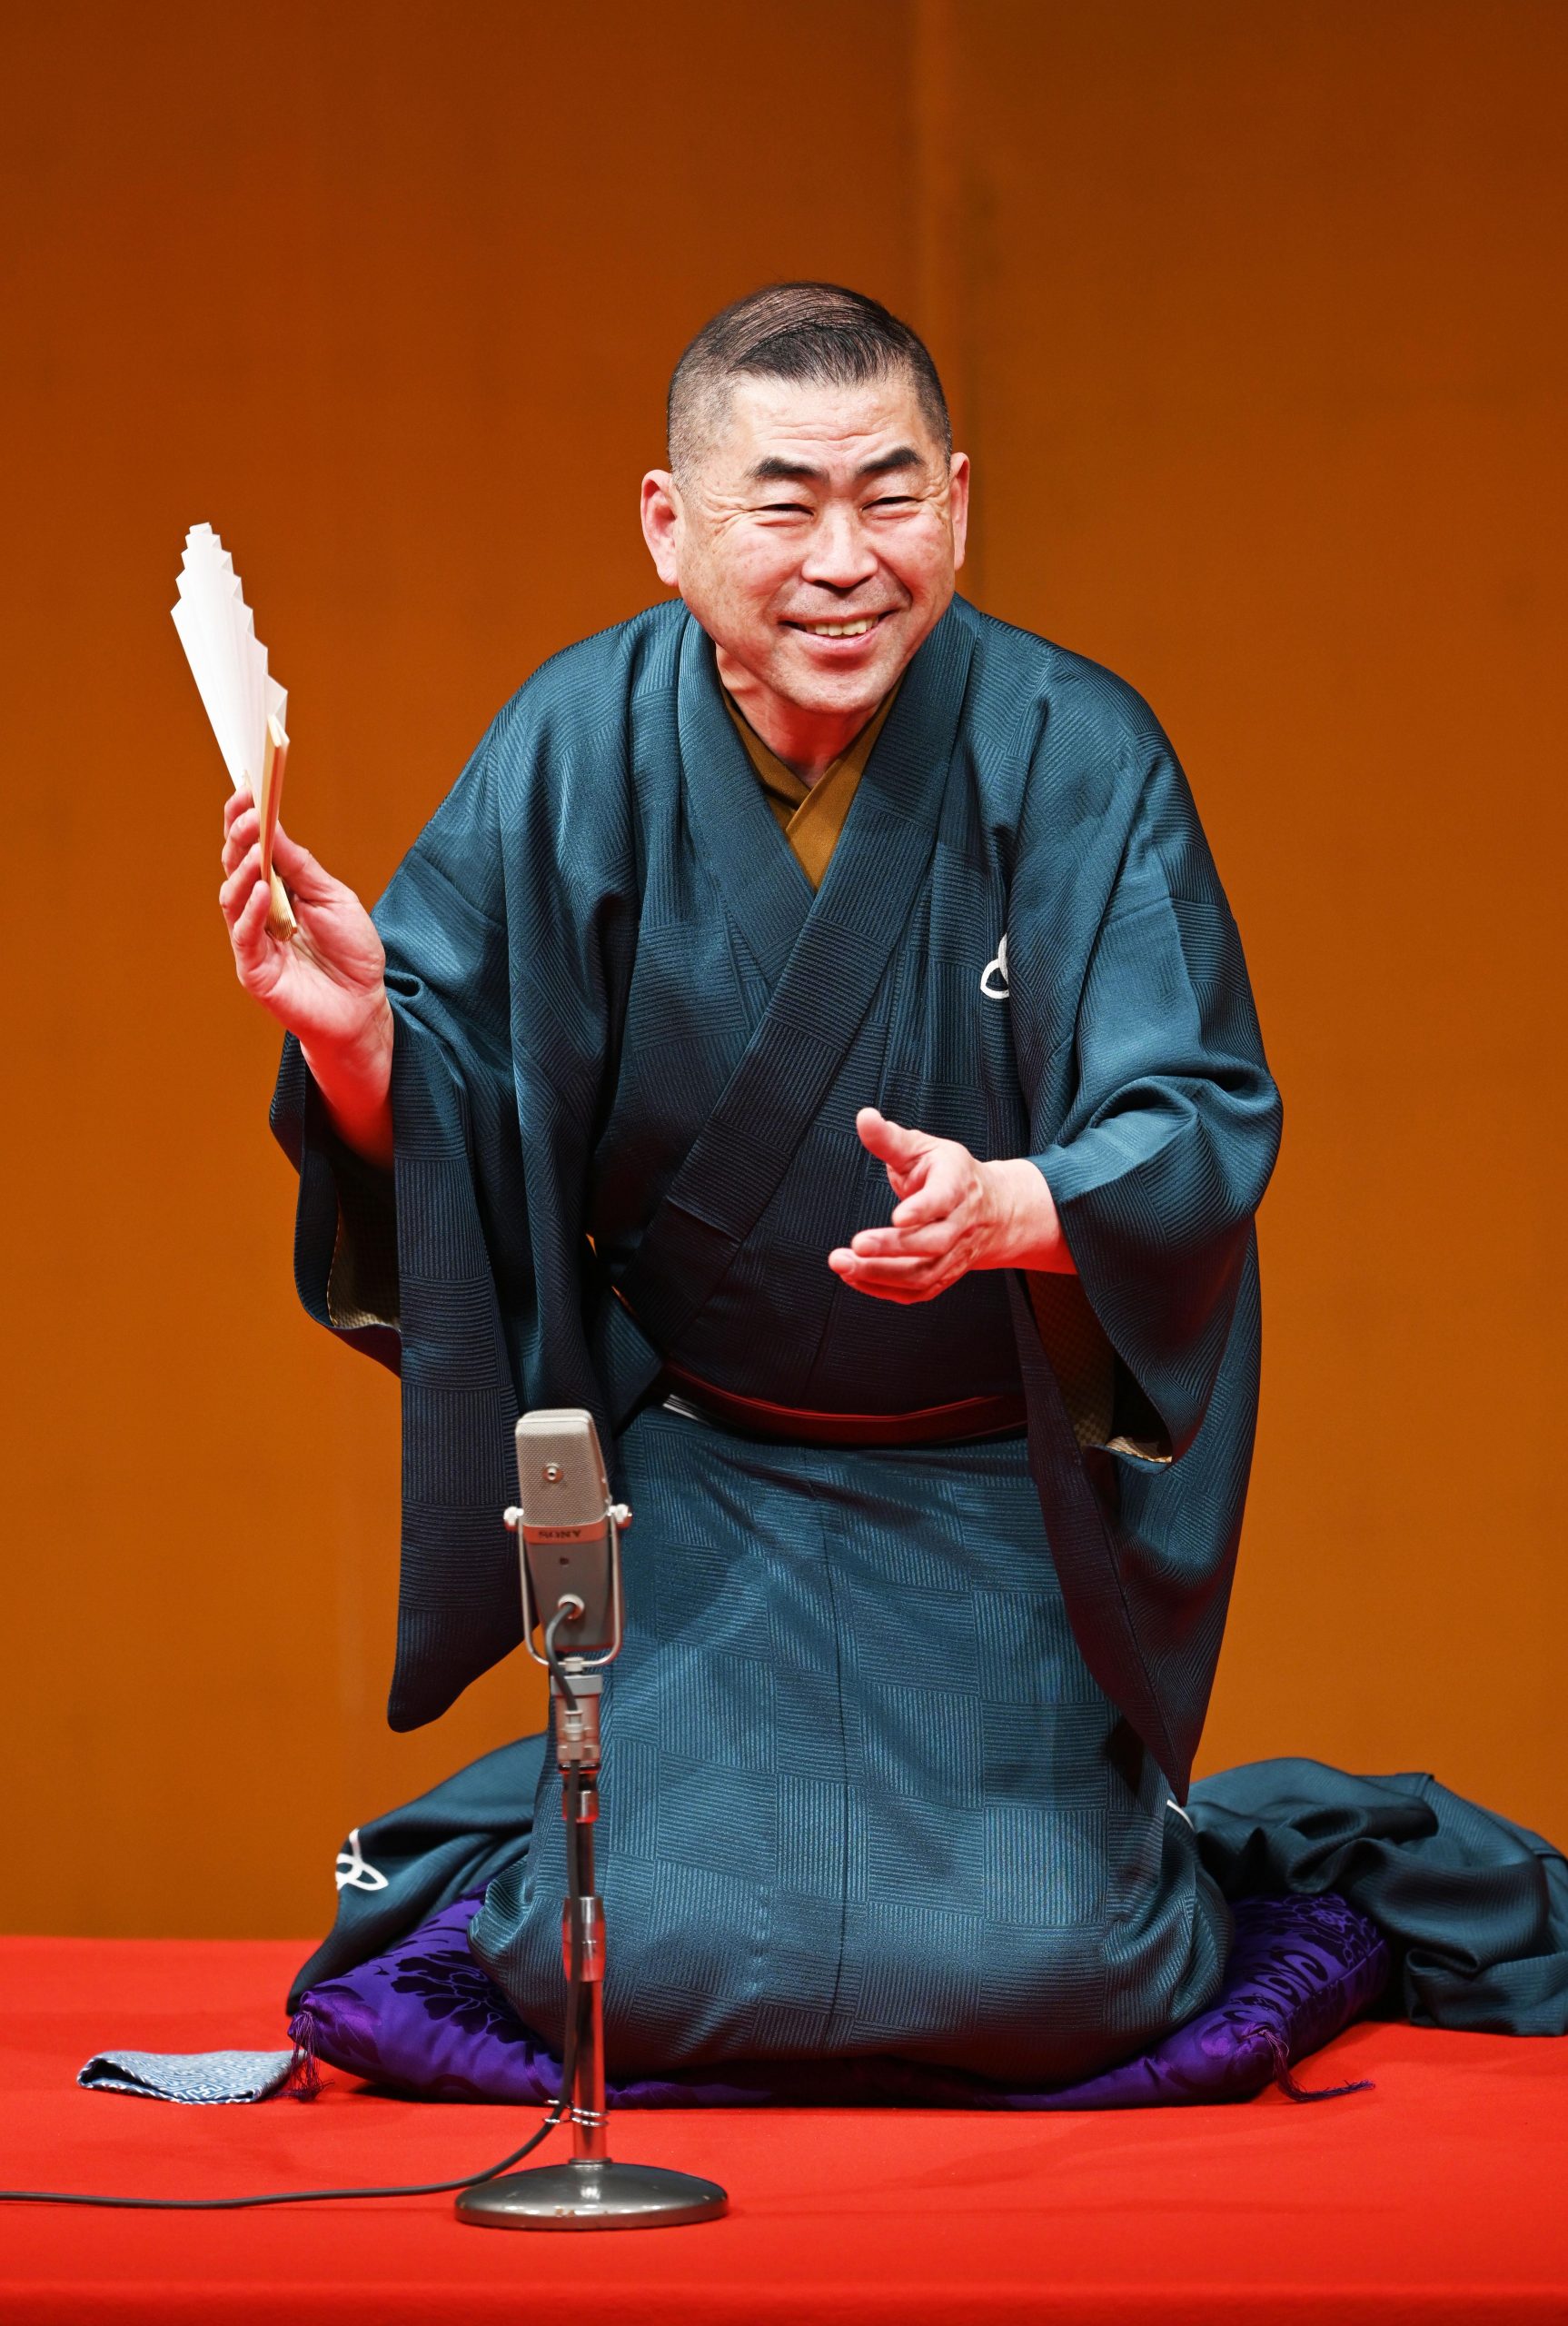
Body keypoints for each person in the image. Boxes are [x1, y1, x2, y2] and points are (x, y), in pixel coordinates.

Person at [220, 283, 1282, 2086]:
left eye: (890, 495)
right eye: (782, 504)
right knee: (625, 1967)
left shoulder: (1073, 747)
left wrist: (1018, 1206)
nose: (842, 561)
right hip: (700, 1485)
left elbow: (1190, 1110)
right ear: (669, 522)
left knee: (1053, 1971)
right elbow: (459, 1102)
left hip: (987, 1490)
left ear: (958, 500)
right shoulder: (576, 743)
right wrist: (358, 1046)